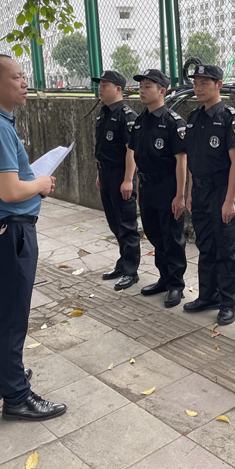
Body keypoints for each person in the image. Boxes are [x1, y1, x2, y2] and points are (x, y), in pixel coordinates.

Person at [0, 54, 66, 422]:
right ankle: (17, 396)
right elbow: (9, 191)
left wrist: (30, 182)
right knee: (10, 314)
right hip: (9, 229)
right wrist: (41, 183)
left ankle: (0, 378)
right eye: (17, 76)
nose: (24, 82)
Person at [183, 64, 235, 325]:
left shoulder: (230, 118)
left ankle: (228, 303)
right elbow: (191, 160)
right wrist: (189, 193)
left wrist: (230, 201)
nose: (198, 88)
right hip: (200, 191)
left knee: (225, 249)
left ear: (219, 85)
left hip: (221, 191)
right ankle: (208, 296)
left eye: (204, 83)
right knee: (205, 246)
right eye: (196, 83)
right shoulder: (194, 118)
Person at [129, 68, 188, 308]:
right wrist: (138, 187)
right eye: (140, 87)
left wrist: (180, 195)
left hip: (167, 186)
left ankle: (176, 285)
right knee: (154, 233)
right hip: (147, 186)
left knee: (171, 236)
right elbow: (136, 155)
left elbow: (181, 160)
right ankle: (164, 278)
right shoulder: (140, 121)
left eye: (148, 87)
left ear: (162, 91)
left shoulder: (173, 122)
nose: (142, 91)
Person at [93, 70, 141, 291]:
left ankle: (131, 271)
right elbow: (103, 148)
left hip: (121, 174)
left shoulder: (126, 116)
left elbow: (131, 150)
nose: (100, 89)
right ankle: (123, 263)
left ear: (118, 89)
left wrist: (128, 179)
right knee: (114, 222)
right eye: (100, 85)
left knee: (126, 224)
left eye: (105, 85)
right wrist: (99, 174)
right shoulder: (103, 114)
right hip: (106, 174)